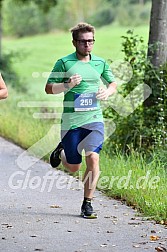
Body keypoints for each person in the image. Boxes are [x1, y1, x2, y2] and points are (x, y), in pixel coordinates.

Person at [45, 22, 117, 219]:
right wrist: (67, 85)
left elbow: (113, 83)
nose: (87, 45)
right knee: (74, 166)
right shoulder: (64, 63)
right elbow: (49, 88)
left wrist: (107, 91)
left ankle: (87, 203)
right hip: (71, 121)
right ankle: (61, 151)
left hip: (94, 119)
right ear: (74, 42)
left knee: (93, 157)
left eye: (91, 41)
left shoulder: (100, 63)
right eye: (83, 41)